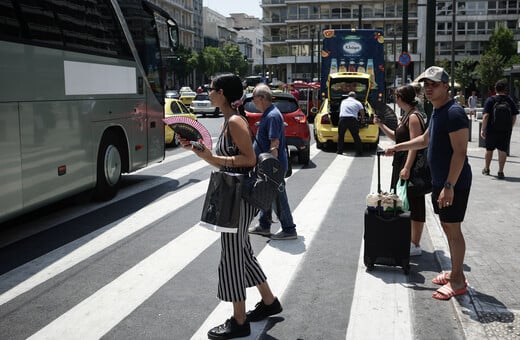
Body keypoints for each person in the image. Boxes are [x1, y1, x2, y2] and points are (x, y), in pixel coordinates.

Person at [181, 74, 282, 339]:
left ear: (222, 93)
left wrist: (213, 156)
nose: (208, 93)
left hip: (239, 197)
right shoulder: (228, 121)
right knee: (243, 253)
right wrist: (199, 152)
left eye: (211, 89)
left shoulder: (235, 121)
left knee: (232, 256)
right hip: (231, 195)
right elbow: (222, 162)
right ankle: (270, 301)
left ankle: (239, 320)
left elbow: (248, 160)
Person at [385, 66, 472, 301]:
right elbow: (424, 140)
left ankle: (458, 281)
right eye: (426, 85)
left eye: (434, 84)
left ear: (446, 86)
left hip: (453, 184)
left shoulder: (453, 113)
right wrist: (397, 147)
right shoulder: (437, 110)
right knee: (447, 227)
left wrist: (449, 186)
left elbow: (460, 153)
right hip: (440, 182)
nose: (429, 88)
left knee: (453, 230)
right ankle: (454, 271)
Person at [374, 84, 426, 256]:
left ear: (401, 98)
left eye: (396, 96)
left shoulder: (413, 117)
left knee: (415, 203)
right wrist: (381, 125)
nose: (394, 99)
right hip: (401, 162)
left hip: (410, 164)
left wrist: (407, 167)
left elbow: (415, 145)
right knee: (404, 201)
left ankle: (415, 244)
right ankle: (407, 239)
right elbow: (397, 138)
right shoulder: (406, 116)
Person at [248, 84, 298, 240]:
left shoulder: (272, 116)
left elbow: (274, 143)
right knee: (267, 194)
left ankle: (289, 229)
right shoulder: (270, 113)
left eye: (254, 98)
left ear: (262, 98)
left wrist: (272, 169)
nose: (253, 101)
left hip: (272, 166)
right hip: (268, 165)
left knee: (278, 197)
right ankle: (264, 225)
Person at [480, 80, 518, 179]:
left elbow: (486, 116)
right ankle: (501, 171)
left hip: (492, 129)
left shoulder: (490, 100)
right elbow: (514, 115)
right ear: (505, 89)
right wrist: (510, 126)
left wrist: (483, 129)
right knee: (502, 150)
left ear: (495, 88)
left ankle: (487, 169)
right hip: (505, 130)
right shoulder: (509, 100)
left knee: (489, 150)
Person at [337, 91, 365, 156]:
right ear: (355, 96)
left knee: (341, 136)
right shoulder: (358, 102)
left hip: (343, 119)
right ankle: (359, 152)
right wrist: (362, 119)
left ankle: (339, 151)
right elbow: (362, 112)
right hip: (352, 120)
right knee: (355, 136)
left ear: (348, 96)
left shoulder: (343, 101)